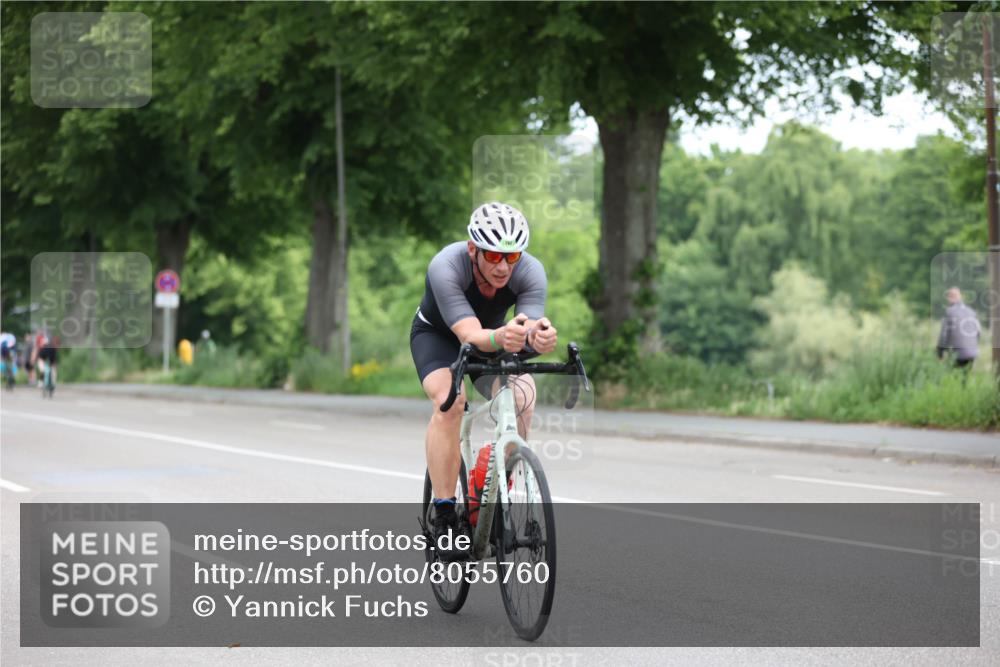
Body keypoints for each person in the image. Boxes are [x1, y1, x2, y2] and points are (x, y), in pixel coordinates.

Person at [410, 202, 558, 548]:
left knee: (523, 396)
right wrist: (504, 336)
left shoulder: (530, 271)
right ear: (473, 249)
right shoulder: (446, 266)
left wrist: (538, 337)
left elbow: (526, 325)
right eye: (493, 256)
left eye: (512, 256)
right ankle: (444, 515)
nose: (503, 267)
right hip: (439, 337)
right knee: (451, 403)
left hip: (493, 336)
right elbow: (470, 335)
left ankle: (490, 491)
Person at [937, 287, 981, 374]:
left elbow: (943, 335)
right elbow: (979, 332)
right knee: (965, 376)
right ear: (960, 297)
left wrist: (940, 352)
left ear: (949, 298)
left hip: (958, 353)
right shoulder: (972, 312)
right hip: (972, 352)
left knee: (953, 375)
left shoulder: (949, 312)